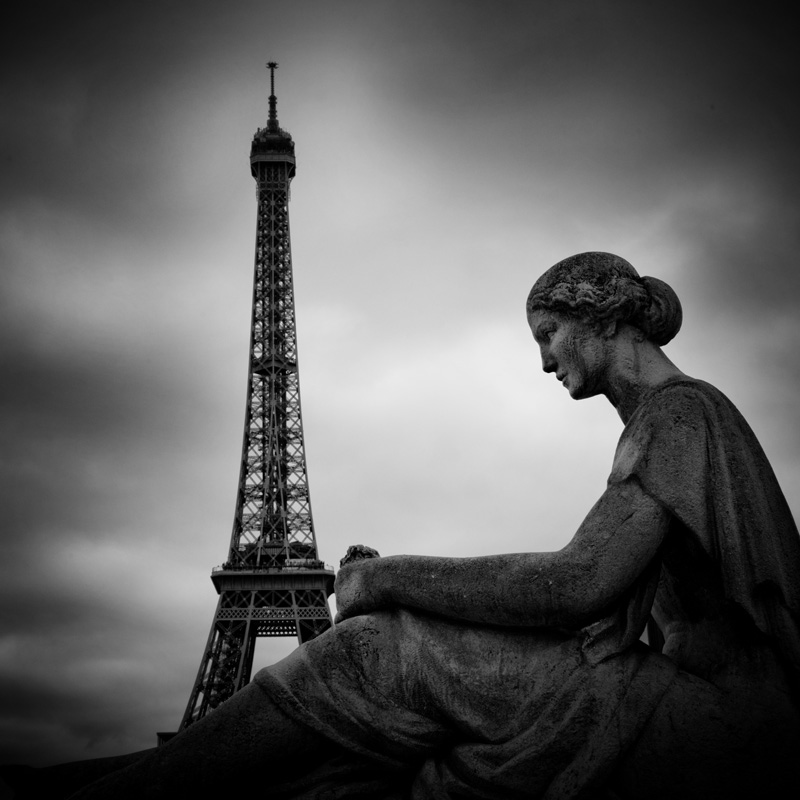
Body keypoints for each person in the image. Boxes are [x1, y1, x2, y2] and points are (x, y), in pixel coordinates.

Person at [6, 252, 800, 799]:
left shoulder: (681, 417)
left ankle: (117, 794)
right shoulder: (671, 422)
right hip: (675, 704)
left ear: (598, 319)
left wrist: (387, 577)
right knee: (381, 681)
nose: (544, 360)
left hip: (712, 730)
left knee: (378, 653)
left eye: (547, 335)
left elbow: (575, 584)